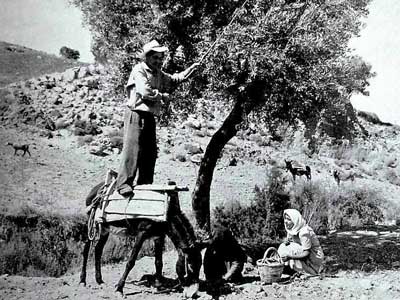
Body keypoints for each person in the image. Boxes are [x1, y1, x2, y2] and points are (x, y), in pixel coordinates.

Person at [116, 40, 199, 196]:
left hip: (149, 115)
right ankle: (124, 184)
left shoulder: (159, 73)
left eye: (161, 58)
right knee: (132, 149)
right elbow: (144, 91)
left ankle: (145, 184)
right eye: (155, 58)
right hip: (136, 113)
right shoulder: (139, 70)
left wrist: (191, 70)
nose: (159, 61)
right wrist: (162, 96)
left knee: (150, 151)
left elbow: (175, 79)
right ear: (146, 57)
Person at [277, 209, 324, 276]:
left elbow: (306, 253)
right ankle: (280, 266)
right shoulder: (292, 228)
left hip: (314, 256)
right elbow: (290, 241)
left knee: (292, 250)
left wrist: (290, 257)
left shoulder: (304, 232)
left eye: (289, 219)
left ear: (295, 220)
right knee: (283, 246)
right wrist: (287, 241)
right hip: (302, 251)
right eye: (285, 219)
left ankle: (309, 270)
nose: (286, 222)